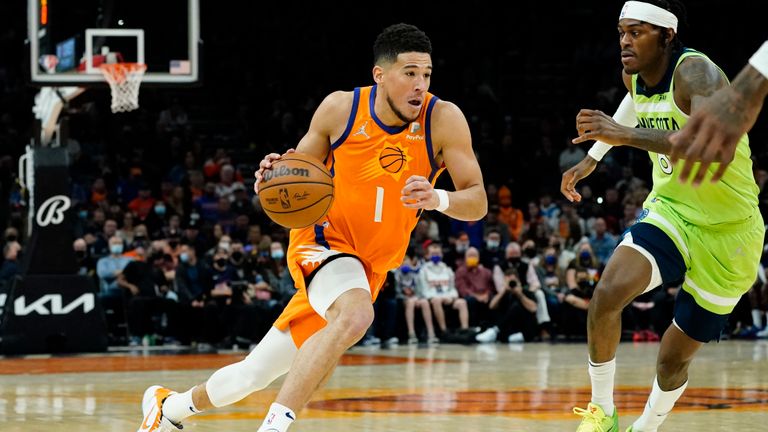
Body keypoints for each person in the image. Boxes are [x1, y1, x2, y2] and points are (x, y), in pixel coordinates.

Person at [137, 23, 486, 432]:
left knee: (253, 374)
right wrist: (272, 176)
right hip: (322, 243)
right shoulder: (341, 109)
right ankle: (274, 427)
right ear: (380, 74)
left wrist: (437, 198)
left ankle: (170, 408)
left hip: (369, 268)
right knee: (357, 316)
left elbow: (477, 201)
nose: (419, 85)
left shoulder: (443, 119)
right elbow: (296, 179)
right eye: (409, 73)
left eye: (426, 74)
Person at [561, 2, 764, 431]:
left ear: (667, 37)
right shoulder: (633, 76)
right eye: (621, 33)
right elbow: (632, 105)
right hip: (672, 210)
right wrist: (594, 158)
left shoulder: (697, 74)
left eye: (636, 32)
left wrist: (623, 137)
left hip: (732, 233)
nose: (624, 42)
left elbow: (712, 146)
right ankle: (602, 412)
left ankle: (646, 427)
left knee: (672, 361)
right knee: (606, 295)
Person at [669, 40, 768, 184]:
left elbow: (706, 147)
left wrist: (741, 93)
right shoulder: (635, 77)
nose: (625, 42)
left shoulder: (694, 69)